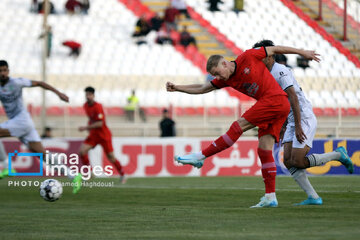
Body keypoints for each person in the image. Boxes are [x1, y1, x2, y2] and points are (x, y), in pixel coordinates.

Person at [167, 45, 320, 208]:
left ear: (224, 63)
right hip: (278, 106)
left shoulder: (248, 57)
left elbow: (275, 49)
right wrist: (178, 88)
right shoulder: (227, 78)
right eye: (215, 75)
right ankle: (270, 197)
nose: (218, 77)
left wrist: (302, 53)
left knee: (238, 126)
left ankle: (201, 157)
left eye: (218, 73)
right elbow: (204, 87)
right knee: (264, 149)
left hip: (274, 99)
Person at [253, 40, 354, 205]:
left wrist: (298, 126)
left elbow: (293, 98)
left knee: (298, 161)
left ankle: (338, 155)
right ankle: (313, 197)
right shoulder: (266, 74)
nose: (257, 60)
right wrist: (284, 124)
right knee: (287, 161)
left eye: (260, 56)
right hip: (291, 119)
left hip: (303, 117)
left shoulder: (280, 71)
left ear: (270, 56)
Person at [0, 60, 82, 193]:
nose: (3, 73)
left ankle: (6, 166)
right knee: (43, 155)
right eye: (0, 71)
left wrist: (59, 93)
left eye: (5, 70)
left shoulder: (16, 82)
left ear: (8, 71)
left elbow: (40, 83)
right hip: (22, 124)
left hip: (22, 120)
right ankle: (73, 175)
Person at [78, 86, 126, 184]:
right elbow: (91, 119)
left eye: (89, 94)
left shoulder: (98, 106)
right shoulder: (85, 106)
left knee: (111, 157)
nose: (88, 96)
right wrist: (89, 127)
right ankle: (91, 173)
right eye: (86, 94)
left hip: (104, 135)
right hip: (94, 135)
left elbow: (100, 123)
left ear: (93, 95)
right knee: (82, 151)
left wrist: (86, 128)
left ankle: (122, 174)